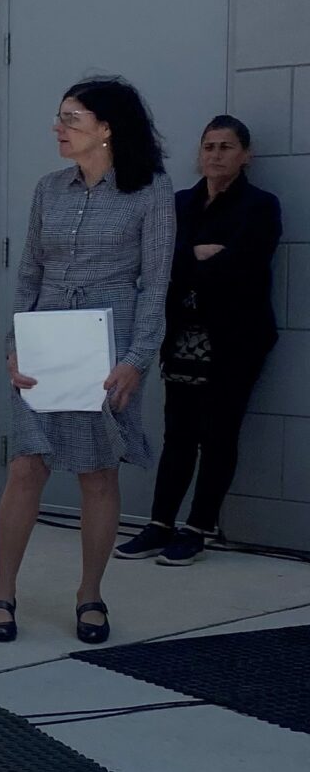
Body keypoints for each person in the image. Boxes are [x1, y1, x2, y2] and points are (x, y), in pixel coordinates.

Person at [0, 79, 175, 647]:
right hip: (47, 337)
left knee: (98, 473)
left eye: (71, 118)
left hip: (109, 346)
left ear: (107, 128)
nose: (59, 128)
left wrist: (138, 359)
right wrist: (14, 345)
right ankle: (3, 592)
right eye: (59, 117)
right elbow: (28, 274)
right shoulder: (50, 189)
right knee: (26, 465)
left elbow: (155, 283)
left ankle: (90, 594)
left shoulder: (150, 192)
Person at [116, 114, 281, 566]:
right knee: (178, 434)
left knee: (219, 433)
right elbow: (156, 265)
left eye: (226, 147)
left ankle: (198, 527)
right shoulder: (180, 203)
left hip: (236, 340)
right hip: (183, 337)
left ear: (246, 155)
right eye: (209, 147)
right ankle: (160, 524)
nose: (216, 155)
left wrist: (186, 263)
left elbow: (243, 267)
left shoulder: (260, 206)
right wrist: (196, 256)